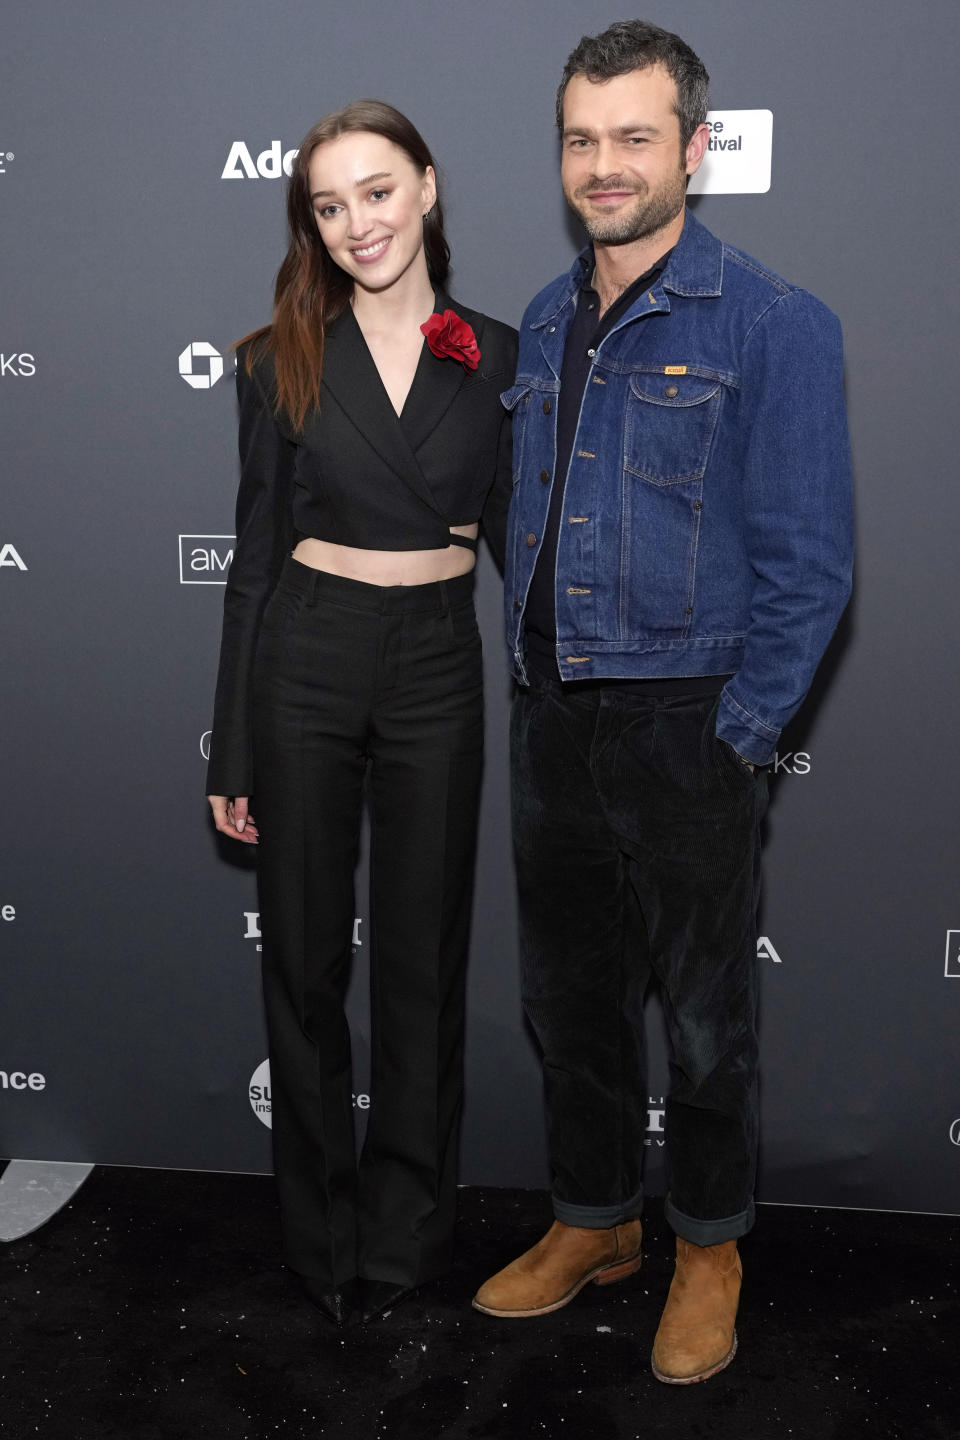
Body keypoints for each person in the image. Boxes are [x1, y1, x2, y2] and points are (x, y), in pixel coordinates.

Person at [473, 21, 853, 1384]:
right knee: (569, 1004)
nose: (605, 164)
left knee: (702, 1019)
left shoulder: (775, 322)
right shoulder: (548, 316)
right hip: (553, 715)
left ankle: (707, 1246)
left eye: (635, 136)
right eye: (582, 138)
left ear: (694, 148)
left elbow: (813, 566)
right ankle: (595, 1220)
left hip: (688, 721)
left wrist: (737, 742)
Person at [205, 100, 516, 1327]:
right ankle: (321, 1240)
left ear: (428, 190)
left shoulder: (499, 355)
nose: (356, 225)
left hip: (439, 655)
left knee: (424, 962)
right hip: (309, 661)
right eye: (329, 207)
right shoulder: (276, 355)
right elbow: (250, 563)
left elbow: (526, 544)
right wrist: (232, 739)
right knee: (303, 960)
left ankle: (408, 1238)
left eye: (377, 193)